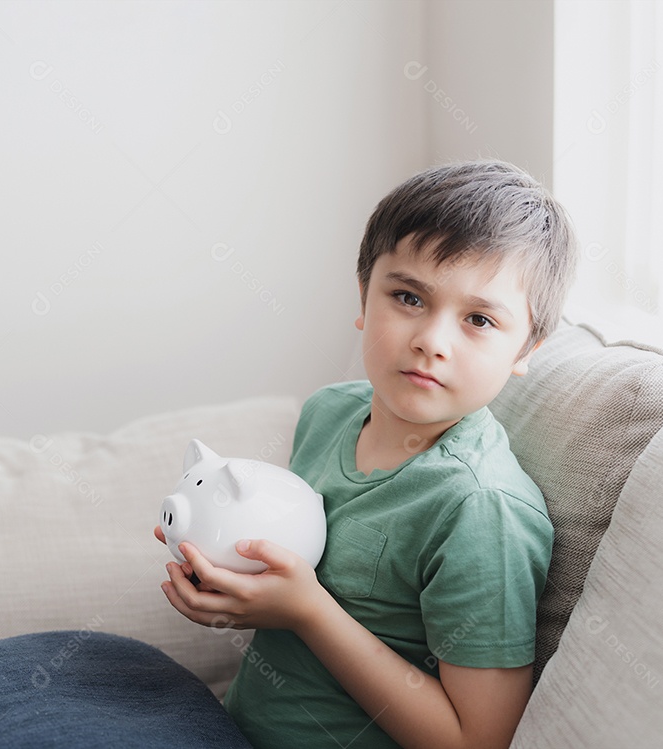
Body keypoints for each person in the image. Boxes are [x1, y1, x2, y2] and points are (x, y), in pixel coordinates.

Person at [156, 159, 578, 749]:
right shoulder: (327, 412)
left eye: (479, 319)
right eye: (408, 297)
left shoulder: (481, 509)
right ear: (363, 296)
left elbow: (476, 740)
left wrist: (307, 612)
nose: (432, 341)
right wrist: (225, 573)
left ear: (525, 347)